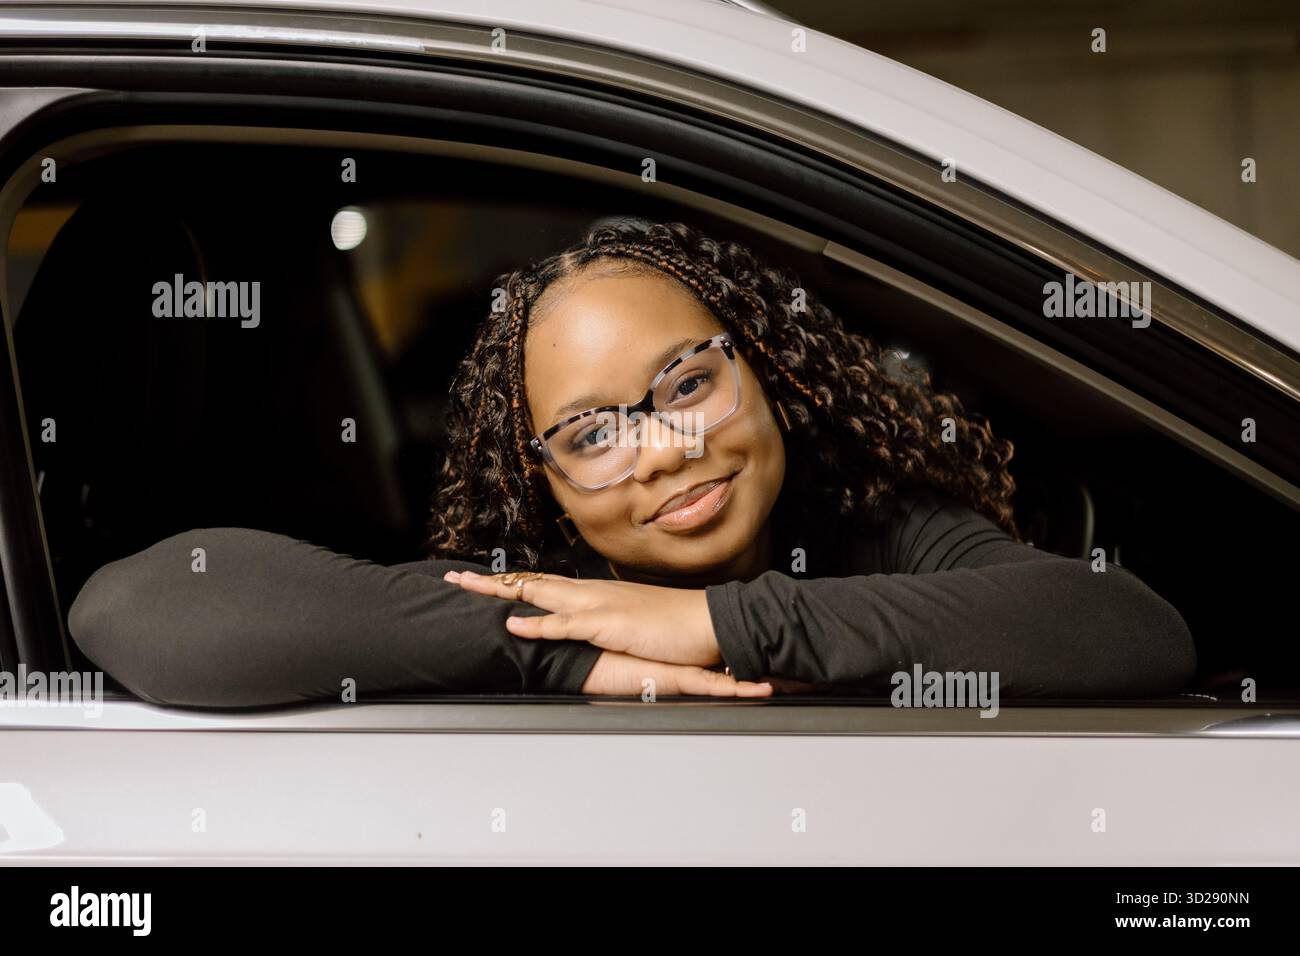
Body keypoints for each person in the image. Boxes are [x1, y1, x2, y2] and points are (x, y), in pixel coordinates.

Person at [68, 218, 1196, 708]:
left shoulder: (875, 523)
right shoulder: (533, 573)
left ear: (768, 375)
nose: (664, 448)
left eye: (688, 383)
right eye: (592, 433)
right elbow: (138, 609)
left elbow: (1131, 631)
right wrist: (557, 650)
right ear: (542, 482)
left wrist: (718, 623)